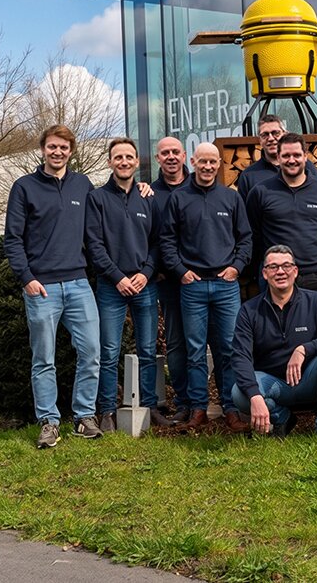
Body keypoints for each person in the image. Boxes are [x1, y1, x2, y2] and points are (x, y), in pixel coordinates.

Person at [3, 125, 102, 448]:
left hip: (78, 283)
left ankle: (84, 417)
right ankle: (49, 421)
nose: (57, 152)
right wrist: (27, 278)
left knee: (91, 352)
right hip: (41, 287)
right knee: (44, 359)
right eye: (52, 147)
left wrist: (142, 188)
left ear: (71, 151)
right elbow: (12, 238)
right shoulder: (24, 187)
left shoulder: (82, 185)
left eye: (63, 147)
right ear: (43, 149)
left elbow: (108, 208)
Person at [159, 141, 252, 432]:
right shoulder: (179, 198)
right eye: (203, 161)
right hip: (193, 286)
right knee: (195, 350)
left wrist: (236, 267)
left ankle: (231, 408)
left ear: (219, 164)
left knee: (229, 348)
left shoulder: (231, 198)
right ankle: (199, 408)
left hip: (226, 286)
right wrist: (181, 271)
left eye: (213, 162)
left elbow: (246, 238)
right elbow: (167, 241)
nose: (208, 166)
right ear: (193, 162)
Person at [85, 137, 168, 432]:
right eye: (118, 157)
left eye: (129, 157)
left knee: (147, 350)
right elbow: (94, 245)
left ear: (136, 161)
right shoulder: (97, 199)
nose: (124, 161)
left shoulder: (148, 197)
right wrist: (117, 277)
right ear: (110, 162)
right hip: (111, 286)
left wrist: (146, 273)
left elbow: (158, 242)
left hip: (145, 283)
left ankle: (151, 407)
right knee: (108, 351)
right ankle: (107, 411)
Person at [231, 245, 317, 440]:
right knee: (240, 394)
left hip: (310, 379)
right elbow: (240, 356)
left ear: (295, 271)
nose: (280, 271)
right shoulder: (249, 310)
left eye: (286, 266)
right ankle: (282, 418)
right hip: (273, 383)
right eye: (273, 267)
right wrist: (255, 396)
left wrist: (304, 349)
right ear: (264, 273)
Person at [245, 132, 317, 298]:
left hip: (315, 274)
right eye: (286, 155)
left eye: (296, 155)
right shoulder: (261, 192)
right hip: (276, 275)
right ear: (278, 158)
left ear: (305, 156)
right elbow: (254, 233)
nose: (291, 160)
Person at [150, 136, 190, 423]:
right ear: (158, 159)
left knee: (214, 343)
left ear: (184, 156)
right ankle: (184, 401)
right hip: (169, 281)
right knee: (176, 344)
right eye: (165, 153)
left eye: (176, 151)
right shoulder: (149, 193)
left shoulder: (199, 185)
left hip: (201, 278)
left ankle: (223, 402)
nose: (171, 157)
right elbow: (148, 235)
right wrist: (158, 269)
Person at [236, 115, 317, 199]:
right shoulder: (249, 176)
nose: (271, 138)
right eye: (265, 135)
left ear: (285, 134)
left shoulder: (306, 167)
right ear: (260, 140)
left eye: (276, 133)